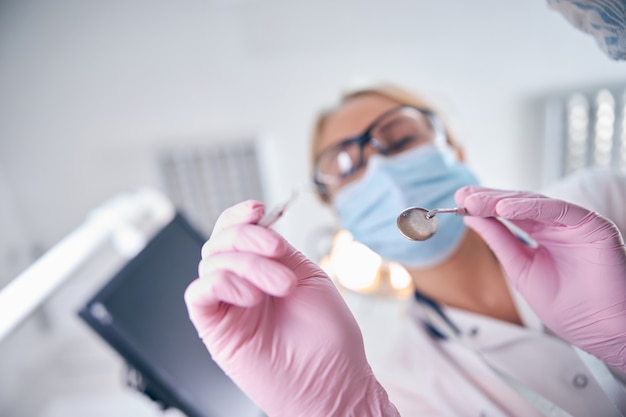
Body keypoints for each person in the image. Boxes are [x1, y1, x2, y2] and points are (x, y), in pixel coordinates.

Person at [184, 83, 626, 417]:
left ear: (452, 148)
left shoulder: (598, 205)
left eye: (399, 141)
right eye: (345, 168)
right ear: (341, 216)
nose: (383, 173)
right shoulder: (398, 382)